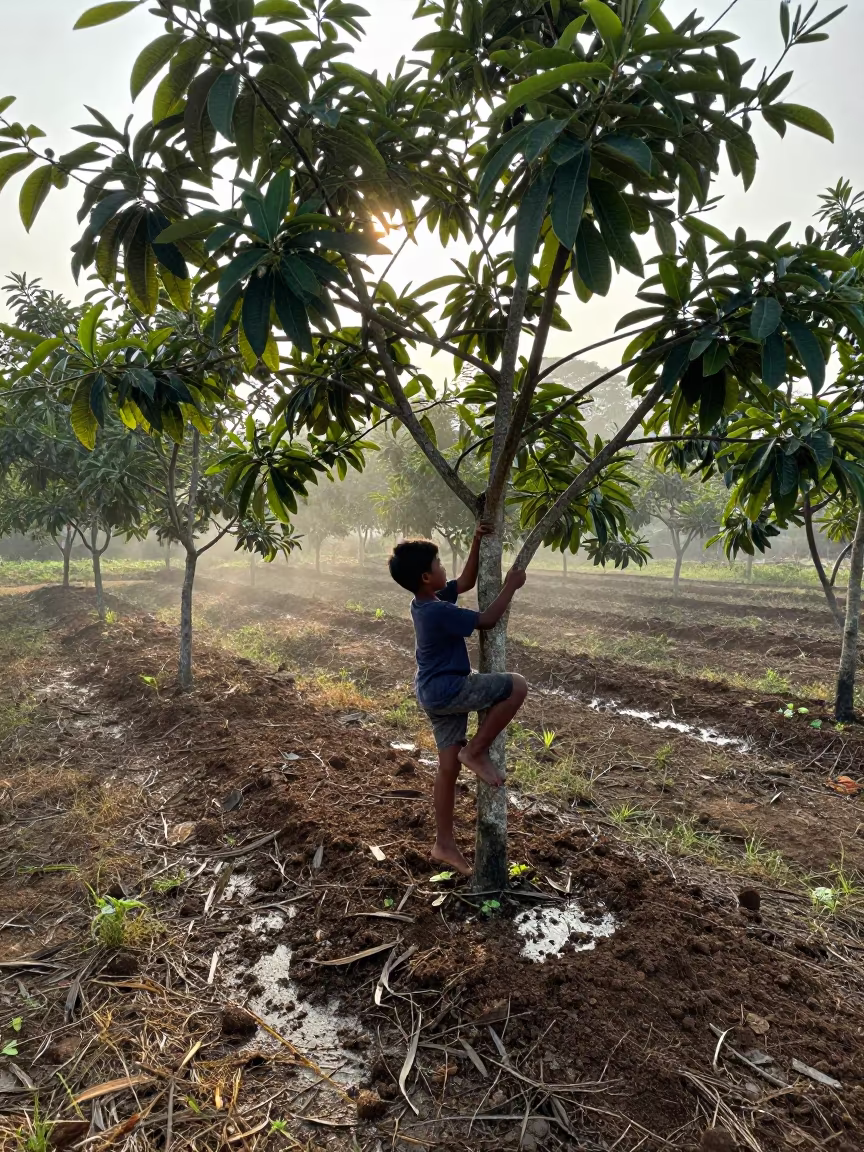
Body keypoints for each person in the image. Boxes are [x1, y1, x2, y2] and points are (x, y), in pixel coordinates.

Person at [388, 523, 528, 875]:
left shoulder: (424, 602)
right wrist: (511, 585)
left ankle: (444, 844)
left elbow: (465, 582)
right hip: (449, 689)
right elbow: (488, 620)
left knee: (448, 768)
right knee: (517, 686)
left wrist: (478, 540)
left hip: (430, 691)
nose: (443, 568)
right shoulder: (437, 611)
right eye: (438, 564)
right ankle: (476, 750)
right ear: (425, 576)